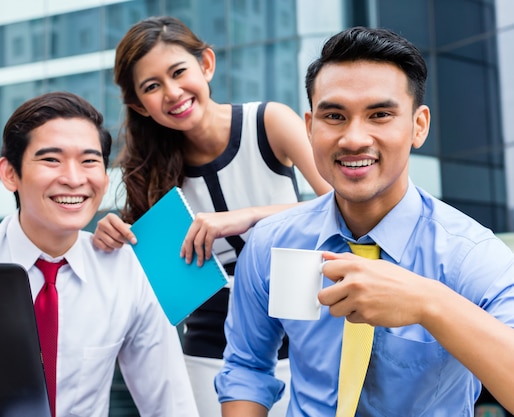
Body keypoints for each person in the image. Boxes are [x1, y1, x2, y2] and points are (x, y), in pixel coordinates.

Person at [215, 25, 514, 416]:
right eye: (335, 116)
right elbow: (247, 367)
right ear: (310, 127)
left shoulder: (470, 254)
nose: (354, 138)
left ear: (418, 126)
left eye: (380, 115)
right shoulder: (273, 242)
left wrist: (429, 304)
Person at [0, 91, 199, 417]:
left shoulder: (128, 271)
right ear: (10, 173)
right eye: (51, 159)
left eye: (90, 161)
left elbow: (171, 405)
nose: (74, 178)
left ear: (106, 178)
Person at [91, 16, 331, 417]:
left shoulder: (268, 122)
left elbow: (343, 204)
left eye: (178, 72)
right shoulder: (149, 172)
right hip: (208, 350)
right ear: (139, 105)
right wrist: (113, 240)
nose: (171, 92)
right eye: (152, 87)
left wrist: (249, 217)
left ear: (206, 64)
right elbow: (158, 287)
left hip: (301, 335)